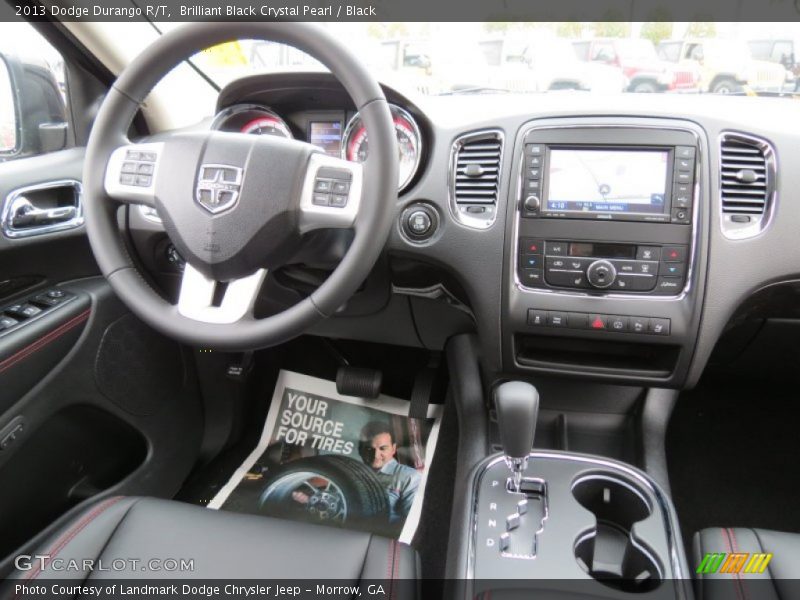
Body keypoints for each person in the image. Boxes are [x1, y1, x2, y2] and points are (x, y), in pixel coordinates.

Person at [358, 421, 422, 524]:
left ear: (393, 449)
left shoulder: (410, 477)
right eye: (369, 448)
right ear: (360, 450)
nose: (376, 455)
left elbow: (411, 522)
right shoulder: (354, 474)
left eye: (383, 448)